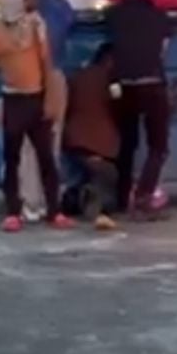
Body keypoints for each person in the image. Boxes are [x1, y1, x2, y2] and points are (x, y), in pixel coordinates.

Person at [0, 0, 73, 232]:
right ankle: (14, 212)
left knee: (46, 158)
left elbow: (47, 65)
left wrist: (50, 101)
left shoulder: (35, 26)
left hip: (36, 97)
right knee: (12, 158)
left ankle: (54, 210)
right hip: (12, 100)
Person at [107, 0, 173, 220]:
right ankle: (144, 196)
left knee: (127, 144)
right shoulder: (160, 17)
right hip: (152, 85)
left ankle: (122, 197)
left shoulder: (114, 15)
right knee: (158, 145)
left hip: (124, 86)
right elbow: (163, 51)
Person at [61, 43, 121, 231]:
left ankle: (75, 199)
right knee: (107, 174)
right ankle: (96, 206)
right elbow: (118, 104)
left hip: (72, 139)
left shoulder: (79, 76)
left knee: (87, 172)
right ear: (109, 61)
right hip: (98, 143)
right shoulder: (110, 80)